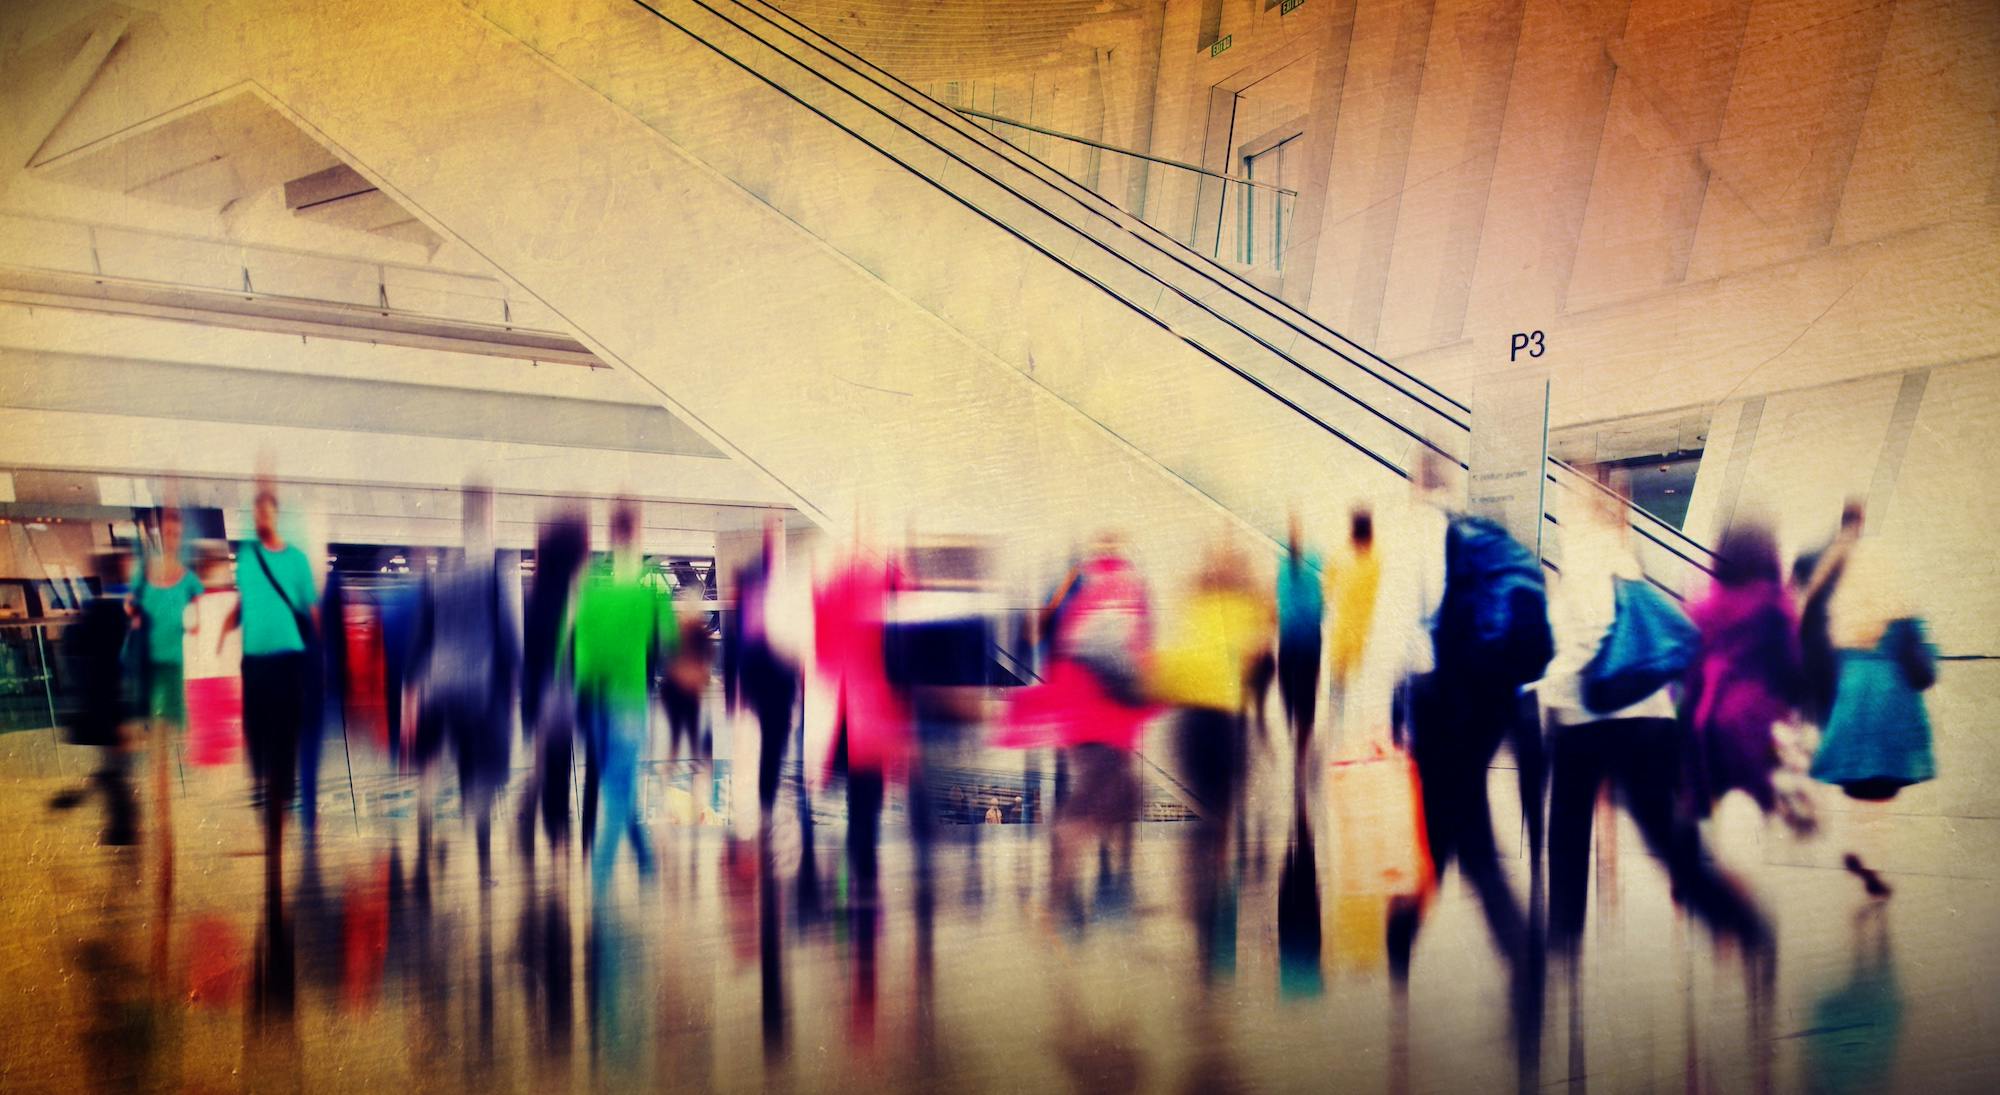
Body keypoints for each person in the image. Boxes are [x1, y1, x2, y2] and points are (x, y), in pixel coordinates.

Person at [1541, 477, 1771, 960]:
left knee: (1568, 828)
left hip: (1591, 717)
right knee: (1663, 831)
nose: (1561, 506)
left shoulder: (1586, 553)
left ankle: (1563, 938)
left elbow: (1592, 634)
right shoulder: (1623, 554)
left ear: (1584, 505)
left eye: (1568, 497)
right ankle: (1736, 918)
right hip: (1648, 713)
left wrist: (1547, 686)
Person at [1805, 503, 1937, 899]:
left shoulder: (1845, 611)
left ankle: (1857, 848)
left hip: (1853, 695)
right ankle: (1871, 859)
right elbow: (1922, 658)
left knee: (1859, 783)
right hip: (1891, 703)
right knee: (1883, 788)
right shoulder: (1898, 608)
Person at [408, 484, 518, 884]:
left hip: (438, 690)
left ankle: (423, 847)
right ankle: (484, 869)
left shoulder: (440, 578)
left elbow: (421, 641)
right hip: (478, 693)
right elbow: (509, 641)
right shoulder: (492, 577)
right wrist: (512, 690)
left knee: (434, 768)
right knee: (480, 776)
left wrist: (416, 689)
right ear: (489, 520)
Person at [572, 498, 673, 890]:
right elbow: (670, 643)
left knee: (617, 781)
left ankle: (644, 858)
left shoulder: (592, 586)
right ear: (639, 531)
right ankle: (599, 881)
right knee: (618, 786)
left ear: (610, 533)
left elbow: (579, 651)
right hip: (629, 699)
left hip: (594, 700)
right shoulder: (652, 586)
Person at [223, 480, 319, 865]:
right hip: (254, 660)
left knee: (286, 731)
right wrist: (224, 628)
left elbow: (311, 609)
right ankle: (266, 798)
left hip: (288, 659)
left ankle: (284, 802)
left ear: (276, 516)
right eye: (256, 513)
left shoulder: (296, 559)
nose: (260, 519)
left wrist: (321, 658)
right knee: (256, 731)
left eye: (266, 512)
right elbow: (244, 601)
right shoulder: (247, 558)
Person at [1684, 522, 1804, 819]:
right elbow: (1794, 668)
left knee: (1713, 808)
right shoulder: (1775, 606)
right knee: (1751, 811)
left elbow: (1690, 671)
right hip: (1756, 722)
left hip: (1706, 720)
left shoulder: (1703, 607)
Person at [518, 510, 590, 869]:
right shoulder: (575, 593)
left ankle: (549, 830)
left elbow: (530, 653)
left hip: (545, 691)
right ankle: (558, 837)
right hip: (564, 690)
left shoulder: (538, 594)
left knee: (550, 764)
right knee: (559, 766)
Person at [53, 551, 140, 845]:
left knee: (117, 766)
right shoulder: (118, 613)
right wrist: (122, 717)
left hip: (99, 706)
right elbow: (116, 668)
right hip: (114, 707)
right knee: (119, 767)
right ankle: (119, 827)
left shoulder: (91, 611)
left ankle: (115, 822)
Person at [130, 507, 204, 850]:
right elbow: (132, 607)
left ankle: (167, 802)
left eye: (176, 532)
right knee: (158, 738)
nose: (171, 538)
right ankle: (162, 806)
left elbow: (200, 620)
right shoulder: (145, 573)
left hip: (177, 667)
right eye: (167, 532)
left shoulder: (189, 579)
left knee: (174, 734)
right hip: (153, 666)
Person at [1275, 511, 1325, 771]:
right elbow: (1320, 604)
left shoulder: (1283, 564)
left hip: (1288, 641)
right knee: (1308, 694)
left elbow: (1280, 601)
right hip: (1310, 641)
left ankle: (1294, 730)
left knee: (1288, 690)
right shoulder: (1314, 558)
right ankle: (1302, 745)